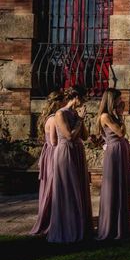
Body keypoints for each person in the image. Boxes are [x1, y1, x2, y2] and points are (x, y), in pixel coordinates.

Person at [48, 85, 92, 243]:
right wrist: (79, 120)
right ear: (77, 98)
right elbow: (68, 136)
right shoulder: (60, 114)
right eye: (84, 97)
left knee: (79, 188)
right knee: (68, 188)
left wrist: (82, 119)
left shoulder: (74, 113)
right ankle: (67, 228)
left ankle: (81, 226)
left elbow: (84, 136)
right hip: (66, 152)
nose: (85, 101)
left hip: (78, 152)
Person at [96, 88, 130, 240]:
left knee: (122, 186)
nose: (121, 101)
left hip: (121, 150)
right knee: (114, 187)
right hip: (114, 152)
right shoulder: (105, 116)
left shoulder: (113, 115)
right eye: (118, 99)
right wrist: (121, 116)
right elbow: (120, 132)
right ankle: (111, 226)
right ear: (112, 100)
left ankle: (122, 225)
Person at [30, 90, 64, 235]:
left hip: (48, 153)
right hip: (53, 154)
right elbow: (55, 141)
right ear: (58, 102)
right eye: (63, 101)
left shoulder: (47, 117)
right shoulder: (54, 119)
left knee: (50, 185)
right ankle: (50, 218)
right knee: (53, 186)